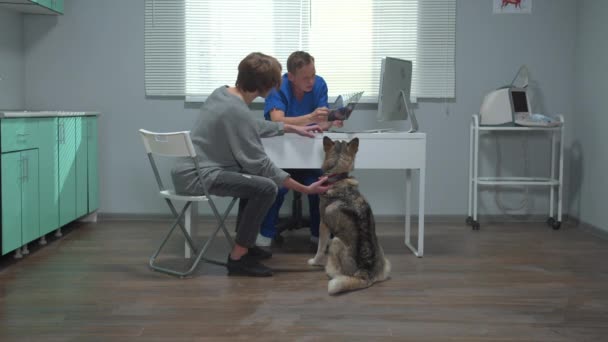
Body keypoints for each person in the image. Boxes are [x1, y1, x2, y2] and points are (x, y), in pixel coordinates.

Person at [171, 52, 330, 277]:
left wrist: (291, 128)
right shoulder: (237, 111)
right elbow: (261, 164)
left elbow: (250, 124)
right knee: (265, 186)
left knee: (253, 180)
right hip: (198, 176)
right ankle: (238, 258)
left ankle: (246, 244)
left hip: (191, 169)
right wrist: (306, 189)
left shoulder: (223, 93)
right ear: (264, 87)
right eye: (274, 84)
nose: (276, 88)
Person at [258, 51, 342, 247]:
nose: (311, 81)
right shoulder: (278, 87)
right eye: (305, 77)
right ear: (291, 76)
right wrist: (312, 117)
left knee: (323, 185)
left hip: (309, 157)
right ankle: (264, 237)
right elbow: (277, 120)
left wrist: (332, 121)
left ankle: (318, 235)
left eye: (313, 75)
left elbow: (321, 122)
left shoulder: (320, 84)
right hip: (280, 157)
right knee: (275, 188)